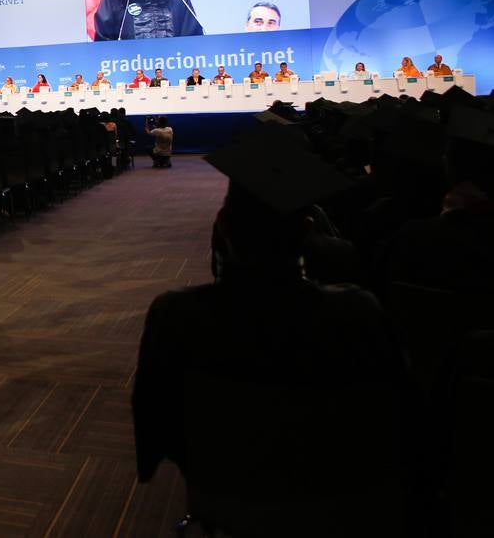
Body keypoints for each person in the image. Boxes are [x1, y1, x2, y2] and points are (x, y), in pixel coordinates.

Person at [132, 131, 404, 488]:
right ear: (308, 229)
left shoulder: (177, 315)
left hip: (220, 481)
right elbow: (395, 415)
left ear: (224, 228)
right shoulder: (355, 312)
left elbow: (155, 422)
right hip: (334, 487)